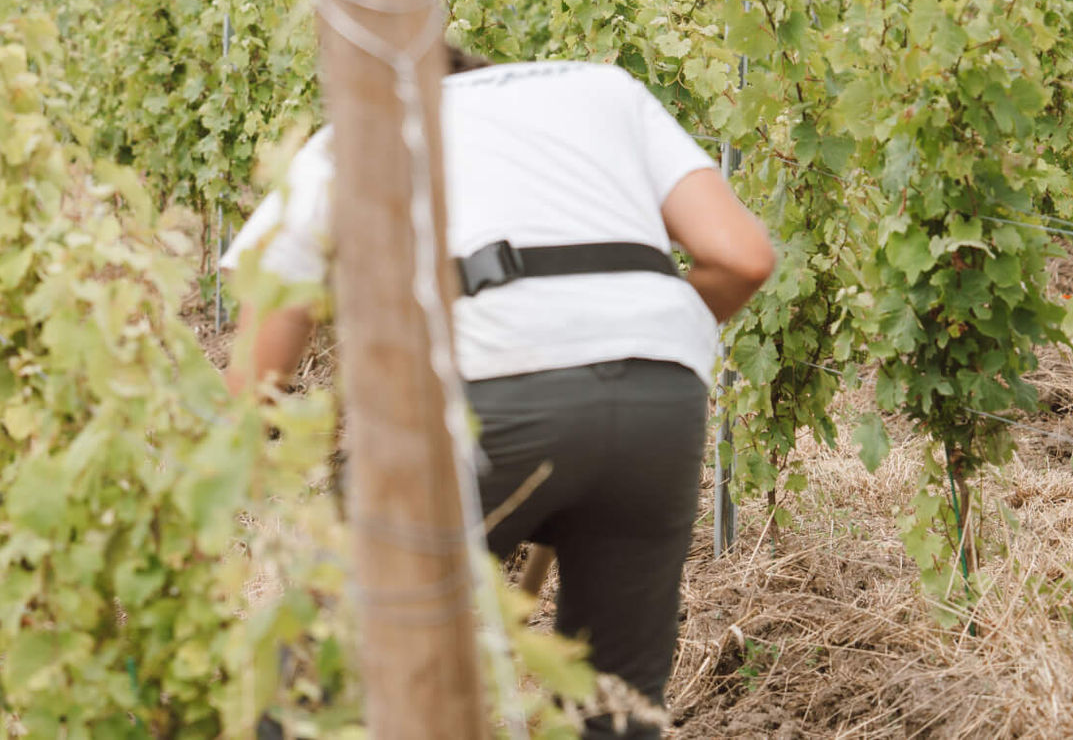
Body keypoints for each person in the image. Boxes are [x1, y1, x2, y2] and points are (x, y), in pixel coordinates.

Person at [223, 57, 776, 740]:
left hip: (480, 389)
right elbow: (745, 257)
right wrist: (631, 345)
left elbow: (255, 385)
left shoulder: (362, 130)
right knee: (614, 709)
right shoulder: (602, 89)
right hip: (659, 396)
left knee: (302, 669)